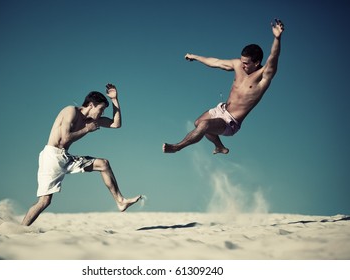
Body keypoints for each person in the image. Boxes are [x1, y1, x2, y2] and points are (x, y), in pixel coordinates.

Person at [22, 84, 142, 226]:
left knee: (103, 164)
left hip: (66, 157)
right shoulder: (71, 111)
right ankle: (20, 229)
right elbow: (65, 137)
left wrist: (115, 100)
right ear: (91, 105)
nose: (102, 113)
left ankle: (120, 201)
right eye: (101, 109)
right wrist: (87, 129)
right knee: (45, 201)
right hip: (52, 157)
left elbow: (116, 124)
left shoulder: (92, 121)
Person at [163, 19, 285, 155]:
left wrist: (277, 38)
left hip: (230, 121)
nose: (242, 65)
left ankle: (177, 147)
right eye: (241, 61)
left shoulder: (263, 77)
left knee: (204, 126)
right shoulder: (238, 65)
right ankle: (220, 147)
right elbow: (215, 62)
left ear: (256, 63)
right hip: (221, 109)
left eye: (246, 63)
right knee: (198, 123)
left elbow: (273, 57)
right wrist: (195, 57)